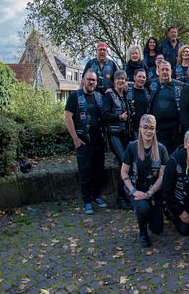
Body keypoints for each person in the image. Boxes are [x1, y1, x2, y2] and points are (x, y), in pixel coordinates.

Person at [120, 114, 168, 247]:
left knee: (157, 229)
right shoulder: (132, 147)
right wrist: (133, 191)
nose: (148, 131)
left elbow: (162, 177)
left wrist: (149, 193)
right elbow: (123, 172)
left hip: (153, 190)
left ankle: (154, 212)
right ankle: (142, 231)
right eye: (145, 127)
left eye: (152, 128)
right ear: (140, 128)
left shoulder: (161, 149)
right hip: (136, 189)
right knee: (143, 208)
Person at [65, 70, 106, 214]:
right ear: (83, 80)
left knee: (98, 171)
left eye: (94, 80)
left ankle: (96, 196)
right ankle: (87, 200)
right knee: (85, 172)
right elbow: (68, 117)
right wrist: (75, 138)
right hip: (83, 141)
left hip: (98, 142)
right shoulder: (74, 96)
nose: (91, 82)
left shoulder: (99, 97)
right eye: (89, 79)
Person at [102, 70, 132, 210]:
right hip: (113, 134)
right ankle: (121, 198)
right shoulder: (109, 94)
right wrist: (118, 117)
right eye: (119, 78)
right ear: (114, 81)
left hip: (124, 134)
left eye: (123, 79)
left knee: (127, 163)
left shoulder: (124, 94)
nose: (121, 81)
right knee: (123, 162)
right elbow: (104, 114)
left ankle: (126, 195)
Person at [149, 61, 184, 154]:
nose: (165, 72)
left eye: (167, 69)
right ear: (158, 71)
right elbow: (137, 84)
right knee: (161, 156)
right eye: (162, 69)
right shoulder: (151, 85)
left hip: (176, 130)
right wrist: (127, 84)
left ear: (171, 71)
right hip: (159, 130)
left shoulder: (180, 85)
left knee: (175, 156)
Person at [126, 69, 151, 141]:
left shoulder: (148, 92)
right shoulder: (128, 90)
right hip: (132, 128)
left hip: (145, 128)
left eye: (143, 77)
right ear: (134, 77)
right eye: (139, 76)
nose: (141, 79)